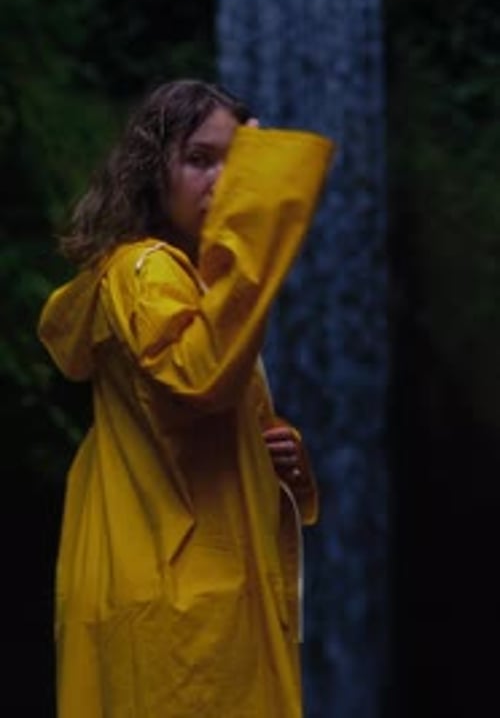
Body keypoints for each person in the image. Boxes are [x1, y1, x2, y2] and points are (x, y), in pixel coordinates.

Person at [38, 79, 334, 718]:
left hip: (185, 580)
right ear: (152, 173)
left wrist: (276, 450)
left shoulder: (194, 288)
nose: (222, 180)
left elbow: (196, 412)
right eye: (200, 159)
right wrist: (258, 209)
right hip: (177, 594)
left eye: (236, 163)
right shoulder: (144, 271)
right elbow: (199, 377)